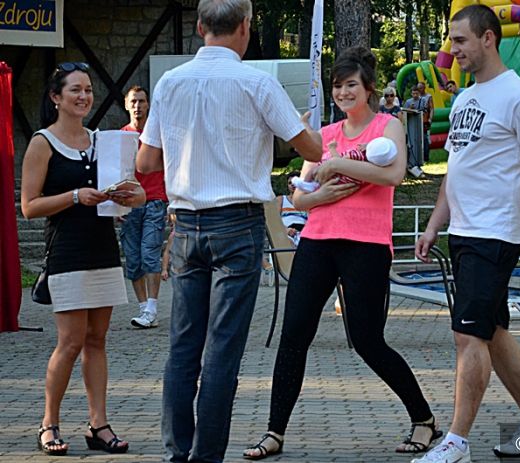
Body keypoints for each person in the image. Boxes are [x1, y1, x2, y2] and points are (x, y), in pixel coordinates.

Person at [134, 1, 322, 462]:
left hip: (186, 225)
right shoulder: (257, 82)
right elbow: (312, 149)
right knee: (222, 350)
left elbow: (145, 162)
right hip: (237, 224)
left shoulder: (170, 82)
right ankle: (206, 456)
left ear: (200, 26)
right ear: (245, 27)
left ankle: (177, 452)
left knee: (183, 346)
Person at [244, 46, 442, 461]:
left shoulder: (388, 126)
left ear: (368, 88)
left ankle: (423, 419)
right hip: (318, 241)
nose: (343, 93)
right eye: (337, 86)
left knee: (367, 341)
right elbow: (299, 197)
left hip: (366, 245)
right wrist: (321, 194)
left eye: (351, 85)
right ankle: (274, 432)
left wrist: (336, 166)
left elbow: (393, 174)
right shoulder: (327, 135)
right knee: (294, 335)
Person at [412, 6, 520, 463]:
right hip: (464, 232)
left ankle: (456, 442)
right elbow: (456, 169)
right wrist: (434, 225)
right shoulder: (466, 99)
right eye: (452, 41)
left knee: (467, 336)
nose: (453, 50)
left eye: (460, 41)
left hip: (494, 235)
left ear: (488, 38)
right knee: (491, 331)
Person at [21, 62, 145, 456]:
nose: (84, 96)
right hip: (67, 251)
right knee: (71, 342)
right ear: (55, 97)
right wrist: (75, 196)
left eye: (88, 89)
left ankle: (98, 425)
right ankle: (48, 424)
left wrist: (130, 196)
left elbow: (138, 190)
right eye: (75, 89)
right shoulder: (42, 142)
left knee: (97, 340)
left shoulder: (101, 141)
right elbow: (29, 206)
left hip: (103, 249)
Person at [119, 85, 168, 329]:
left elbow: (170, 167)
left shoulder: (157, 134)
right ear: (126, 105)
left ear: (148, 105)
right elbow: (114, 171)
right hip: (129, 204)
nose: (137, 106)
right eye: (133, 101)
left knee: (150, 254)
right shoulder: (121, 136)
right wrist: (115, 206)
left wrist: (173, 202)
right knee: (133, 259)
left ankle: (152, 308)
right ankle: (143, 309)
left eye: (141, 101)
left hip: (155, 201)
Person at [277, 171, 307, 246]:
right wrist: (285, 230)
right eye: (290, 183)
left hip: (303, 232)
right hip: (285, 232)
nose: (292, 185)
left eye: (294, 182)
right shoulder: (281, 199)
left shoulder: (307, 201)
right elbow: (275, 220)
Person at [417, 81, 434, 162]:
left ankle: (426, 157)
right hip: (417, 120)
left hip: (425, 120)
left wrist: (430, 118)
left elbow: (431, 108)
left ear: (424, 88)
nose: (419, 90)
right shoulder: (416, 97)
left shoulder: (428, 96)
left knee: (425, 138)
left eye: (420, 88)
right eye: (418, 88)